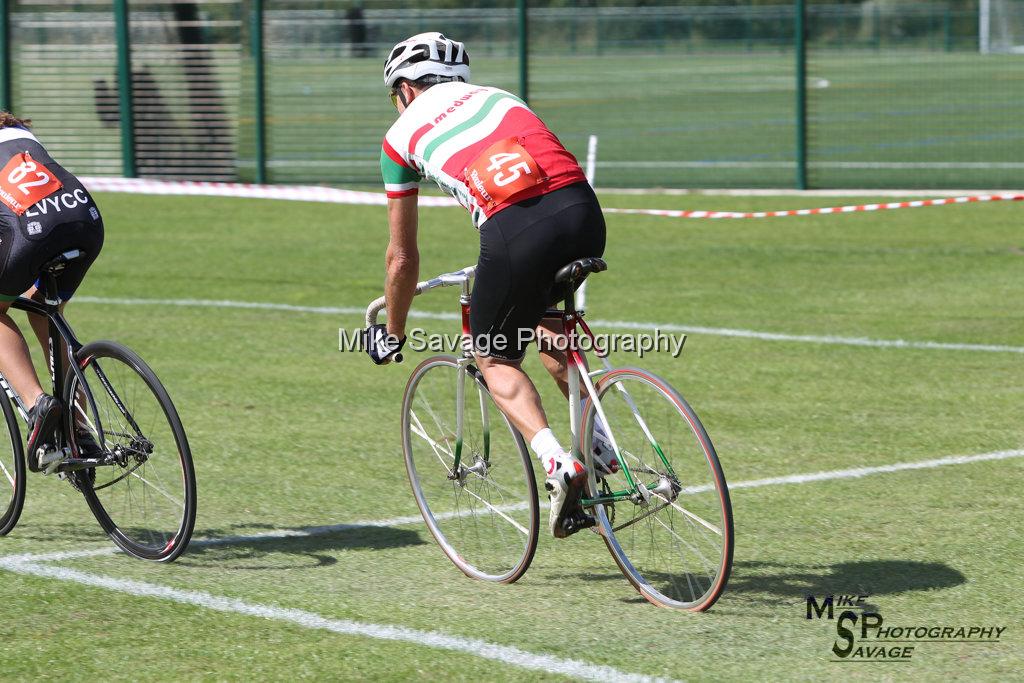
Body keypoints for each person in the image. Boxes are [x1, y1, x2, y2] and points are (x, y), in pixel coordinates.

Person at [364, 33, 609, 538]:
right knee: (546, 321)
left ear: (406, 89)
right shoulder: (501, 96)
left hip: (513, 231)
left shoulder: (398, 138)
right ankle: (604, 444)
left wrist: (393, 330)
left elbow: (402, 256)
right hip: (583, 211)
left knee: (493, 354)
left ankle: (558, 463)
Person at [0, 112, 104, 465]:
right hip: (84, 220)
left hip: (30, 232)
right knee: (45, 305)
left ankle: (36, 404)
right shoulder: (16, 131)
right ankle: (81, 431)